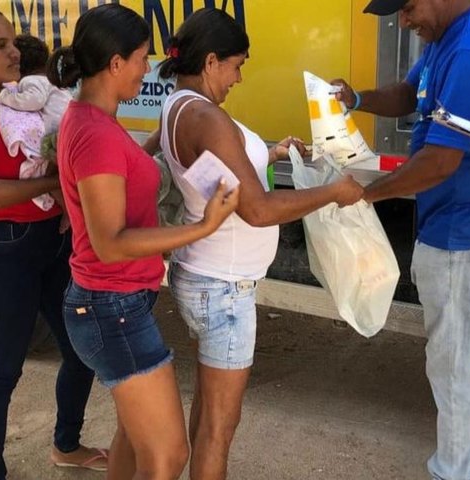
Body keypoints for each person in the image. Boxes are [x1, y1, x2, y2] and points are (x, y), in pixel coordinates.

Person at [156, 8, 364, 479]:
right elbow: (258, 210)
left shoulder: (178, 104)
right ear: (211, 62)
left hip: (205, 273)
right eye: (237, 65)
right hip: (224, 286)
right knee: (220, 428)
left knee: (209, 411)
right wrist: (334, 191)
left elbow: (213, 172)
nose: (239, 78)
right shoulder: (206, 116)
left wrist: (267, 152)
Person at [332, 0, 470, 479]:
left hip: (467, 229)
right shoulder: (454, 32)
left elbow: (440, 162)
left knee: (454, 363)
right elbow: (411, 93)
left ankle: (454, 470)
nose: (403, 21)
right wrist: (357, 100)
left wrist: (366, 194)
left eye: (406, 8)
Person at [49, 4, 239, 479]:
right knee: (168, 454)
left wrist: (163, 139)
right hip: (110, 308)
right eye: (140, 59)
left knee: (135, 441)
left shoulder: (92, 118)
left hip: (112, 302)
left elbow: (121, 165)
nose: (146, 70)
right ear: (116, 63)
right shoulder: (96, 134)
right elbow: (110, 242)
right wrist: (201, 227)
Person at [0, 7, 107, 479]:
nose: (14, 51)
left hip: (52, 242)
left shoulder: (23, 97)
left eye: (13, 42)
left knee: (80, 352)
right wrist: (56, 180)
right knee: (3, 369)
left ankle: (66, 445)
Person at [0, 34, 72, 230]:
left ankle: (68, 212)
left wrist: (4, 96)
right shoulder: (50, 80)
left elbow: (32, 102)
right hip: (66, 133)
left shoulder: (32, 81)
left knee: (46, 179)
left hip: (56, 138)